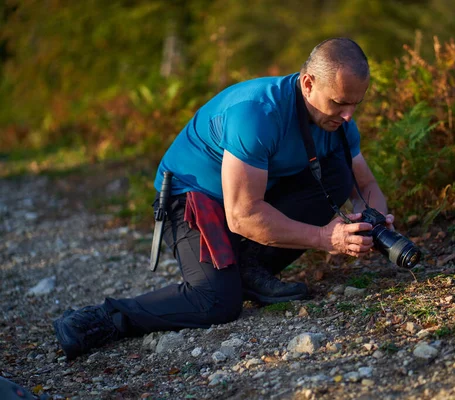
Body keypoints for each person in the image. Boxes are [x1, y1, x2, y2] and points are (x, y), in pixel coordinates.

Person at [53, 38, 396, 360]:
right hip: (193, 195)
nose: (349, 114)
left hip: (252, 193)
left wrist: (376, 223)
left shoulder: (337, 122)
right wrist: (325, 238)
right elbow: (242, 216)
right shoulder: (258, 113)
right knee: (216, 302)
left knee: (336, 174)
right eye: (339, 102)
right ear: (308, 84)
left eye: (355, 103)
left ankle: (248, 267)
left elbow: (364, 186)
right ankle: (100, 318)